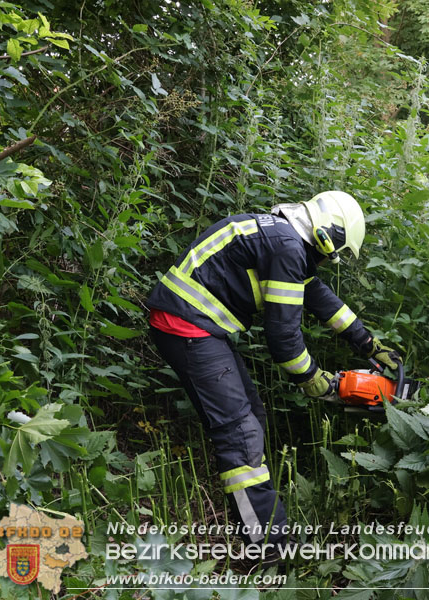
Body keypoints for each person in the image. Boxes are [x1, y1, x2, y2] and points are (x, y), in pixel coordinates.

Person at [146, 191, 401, 545]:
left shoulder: (282, 237)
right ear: (327, 238)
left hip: (195, 324)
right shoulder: (286, 248)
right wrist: (314, 380)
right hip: (187, 326)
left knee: (251, 415)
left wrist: (368, 344)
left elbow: (318, 296)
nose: (328, 262)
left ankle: (249, 527)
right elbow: (283, 336)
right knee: (240, 431)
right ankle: (269, 545)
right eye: (334, 256)